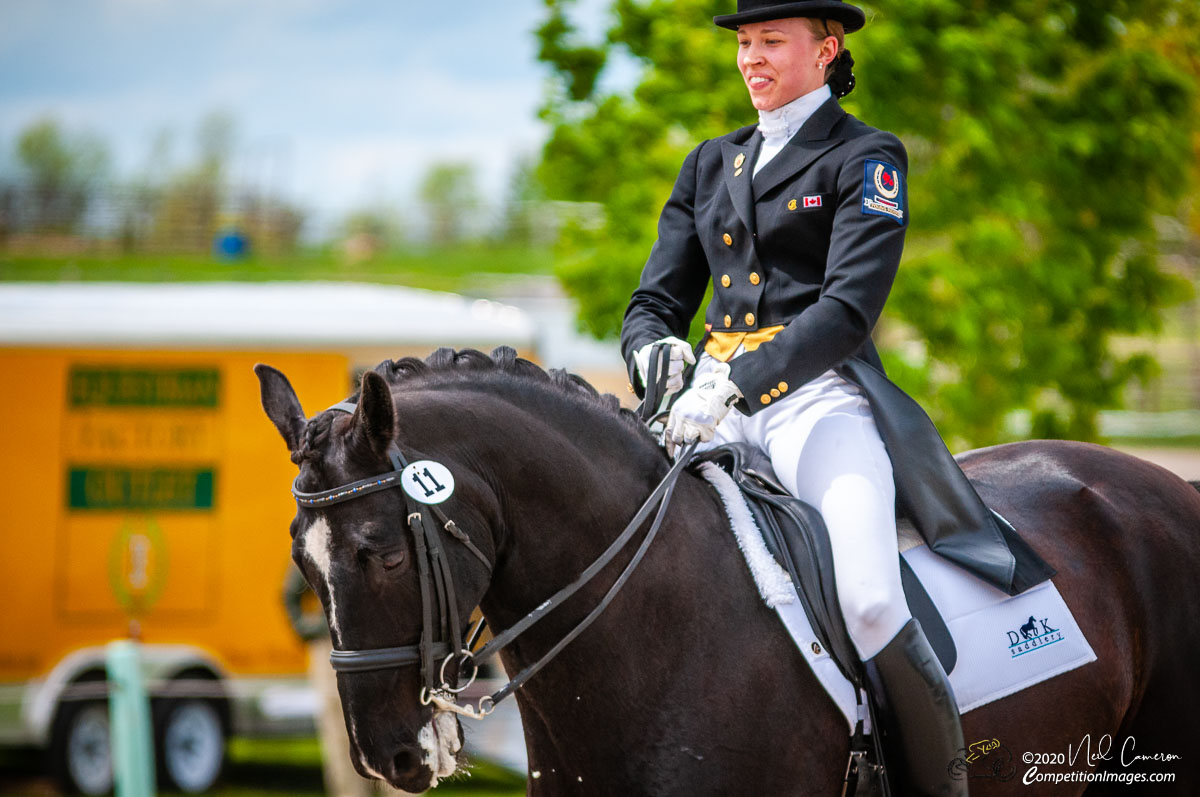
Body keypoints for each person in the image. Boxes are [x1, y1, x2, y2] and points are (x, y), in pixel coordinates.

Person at [621, 1, 1049, 793]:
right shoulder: (710, 163)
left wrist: (738, 381)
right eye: (744, 43)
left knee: (872, 599)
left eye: (770, 41)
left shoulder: (865, 157)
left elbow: (848, 310)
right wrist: (654, 352)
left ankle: (939, 782)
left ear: (826, 50)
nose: (751, 58)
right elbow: (655, 300)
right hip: (702, 410)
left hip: (815, 402)